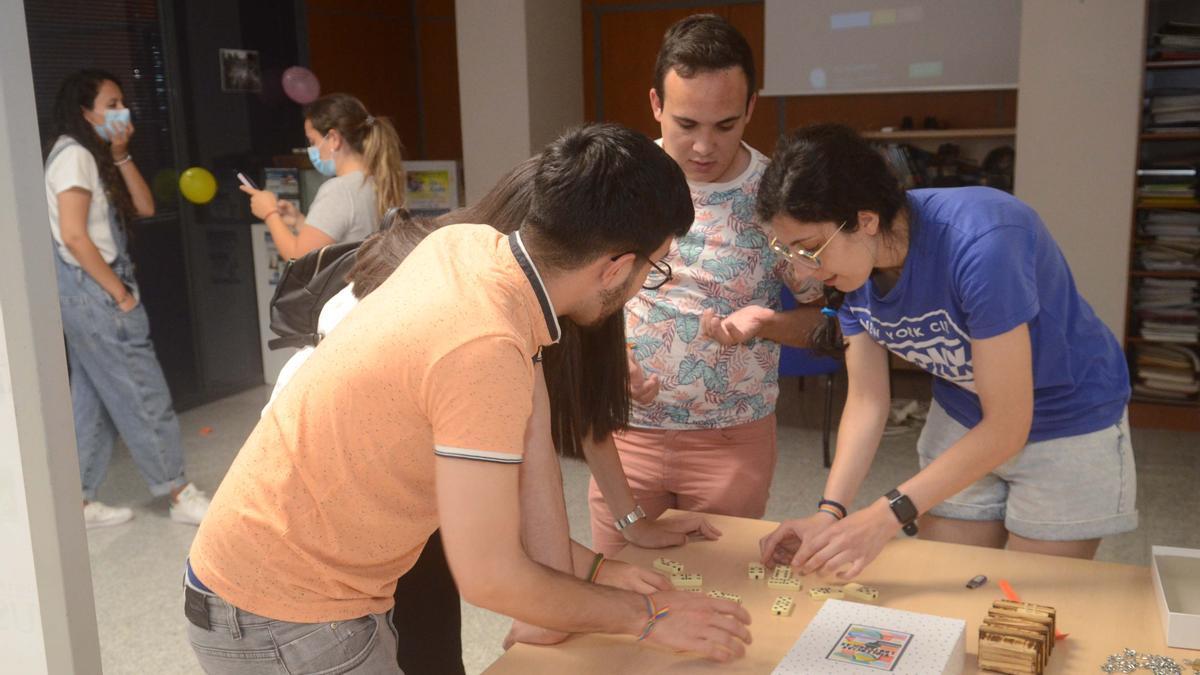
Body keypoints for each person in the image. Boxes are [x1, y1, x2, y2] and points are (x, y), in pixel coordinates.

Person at [184, 124, 753, 673]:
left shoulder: (474, 249)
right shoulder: (484, 345)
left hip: (284, 581)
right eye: (651, 271)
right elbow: (489, 575)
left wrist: (590, 573)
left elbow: (533, 456)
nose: (641, 288)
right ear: (615, 267)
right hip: (282, 611)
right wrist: (648, 617)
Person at [757, 124, 1136, 580]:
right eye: (790, 251)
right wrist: (829, 513)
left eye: (811, 249)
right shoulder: (851, 270)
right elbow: (867, 399)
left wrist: (883, 516)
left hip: (1067, 417)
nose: (804, 271)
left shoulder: (982, 243)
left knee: (1027, 604)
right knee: (954, 582)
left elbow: (1008, 425)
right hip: (964, 411)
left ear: (867, 220)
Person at [588, 14, 821, 556]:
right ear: (655, 105)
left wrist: (767, 323)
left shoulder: (778, 197)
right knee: (618, 593)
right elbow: (575, 296)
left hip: (730, 444)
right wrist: (603, 358)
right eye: (686, 124)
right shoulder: (614, 182)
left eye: (725, 125)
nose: (702, 147)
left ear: (751, 109)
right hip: (622, 434)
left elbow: (828, 325)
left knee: (716, 600)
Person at [43, 69, 210, 528]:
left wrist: (120, 154)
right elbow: (76, 236)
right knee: (143, 391)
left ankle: (75, 501)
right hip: (96, 291)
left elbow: (145, 206)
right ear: (85, 112)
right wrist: (118, 293)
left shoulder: (88, 157)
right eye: (111, 104)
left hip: (85, 294)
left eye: (122, 103)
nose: (122, 111)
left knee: (91, 399)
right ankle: (178, 492)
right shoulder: (73, 157)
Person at [240, 93, 406, 260]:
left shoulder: (339, 190)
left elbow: (299, 259)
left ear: (334, 139)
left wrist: (270, 214)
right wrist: (300, 222)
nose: (311, 150)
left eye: (312, 141)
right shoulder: (379, 181)